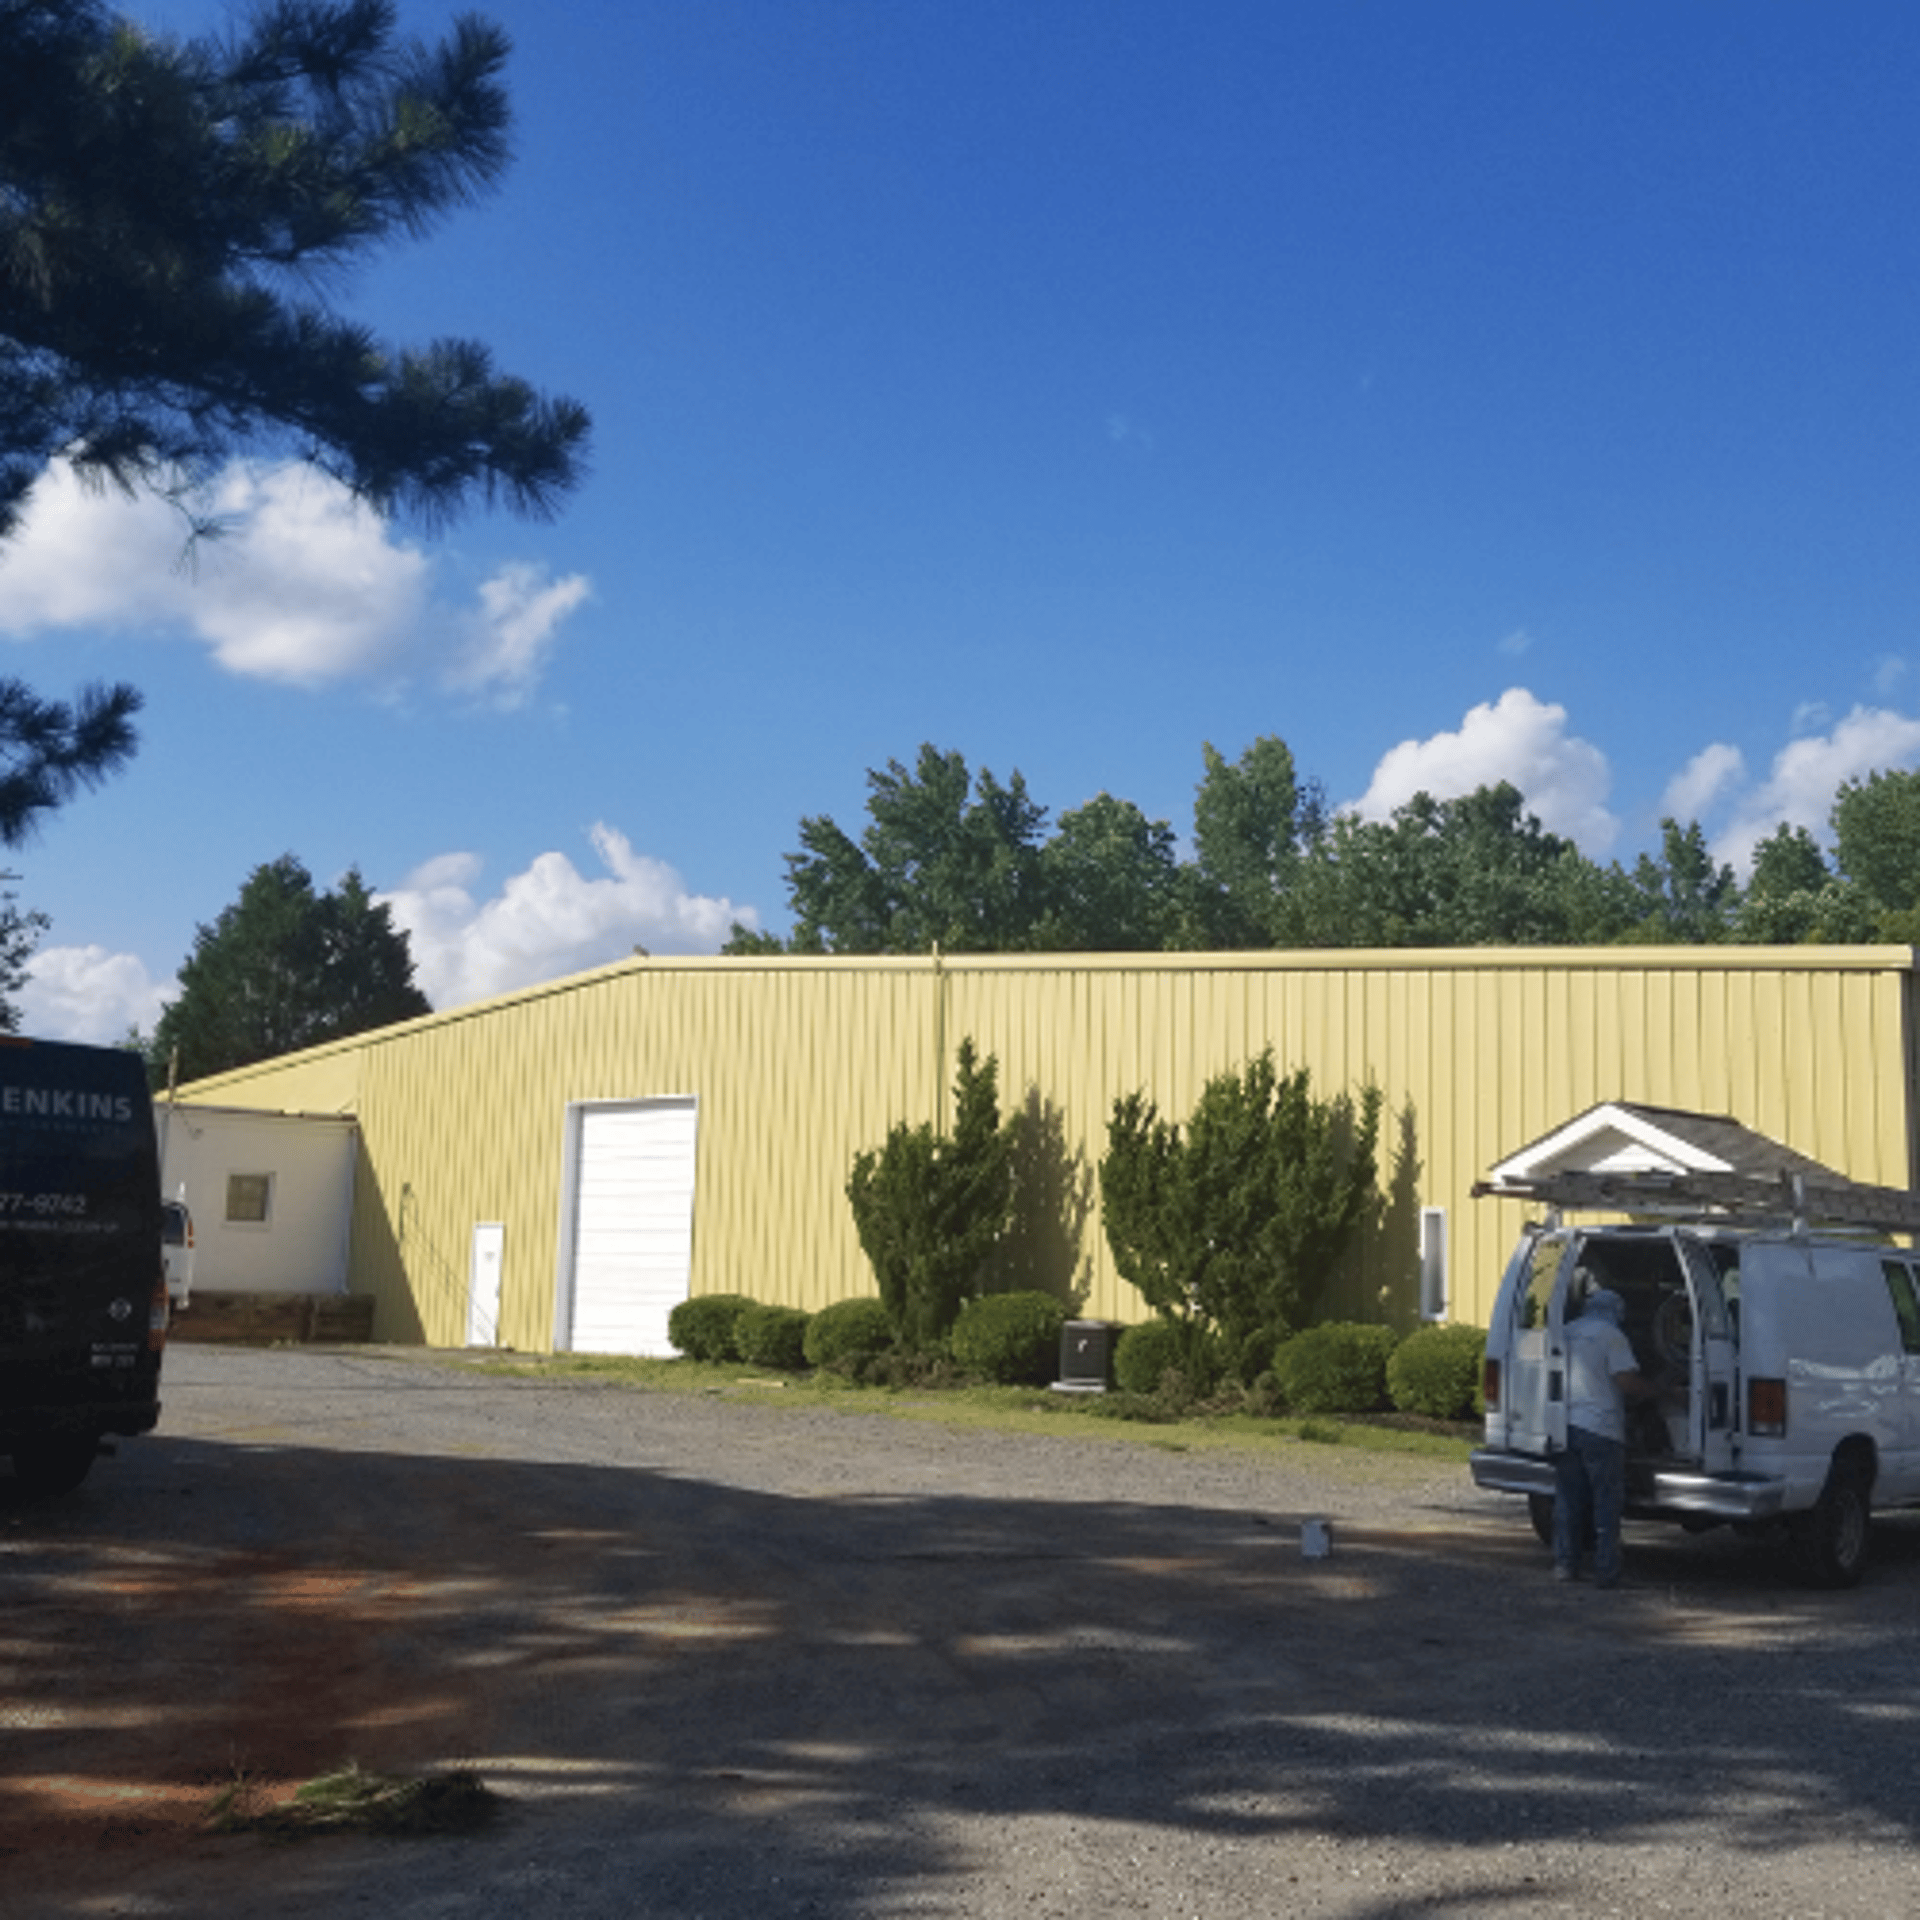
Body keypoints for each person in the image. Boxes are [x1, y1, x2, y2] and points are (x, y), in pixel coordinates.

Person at [1553, 1284, 1664, 1588]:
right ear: (1617, 1312)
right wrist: (1659, 1390)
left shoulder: (1565, 1330)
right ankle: (1606, 1571)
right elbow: (1627, 1383)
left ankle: (1565, 1564)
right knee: (1605, 1502)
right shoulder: (1612, 1337)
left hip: (1564, 1426)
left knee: (1568, 1501)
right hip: (1601, 1429)